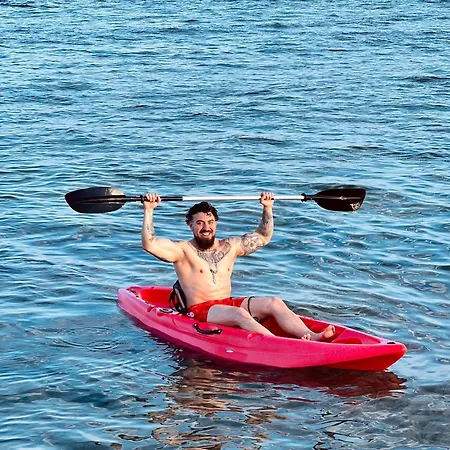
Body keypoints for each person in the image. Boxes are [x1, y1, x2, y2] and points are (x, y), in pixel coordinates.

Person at [141, 192, 335, 341]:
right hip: (199, 310)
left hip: (226, 304)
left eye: (210, 222)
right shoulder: (182, 250)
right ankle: (277, 343)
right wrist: (149, 210)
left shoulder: (230, 246)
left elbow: (263, 237)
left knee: (274, 302)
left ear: (216, 223)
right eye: (199, 223)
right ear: (190, 225)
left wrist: (267, 207)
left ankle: (313, 336)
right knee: (240, 314)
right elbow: (150, 244)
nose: (206, 228)